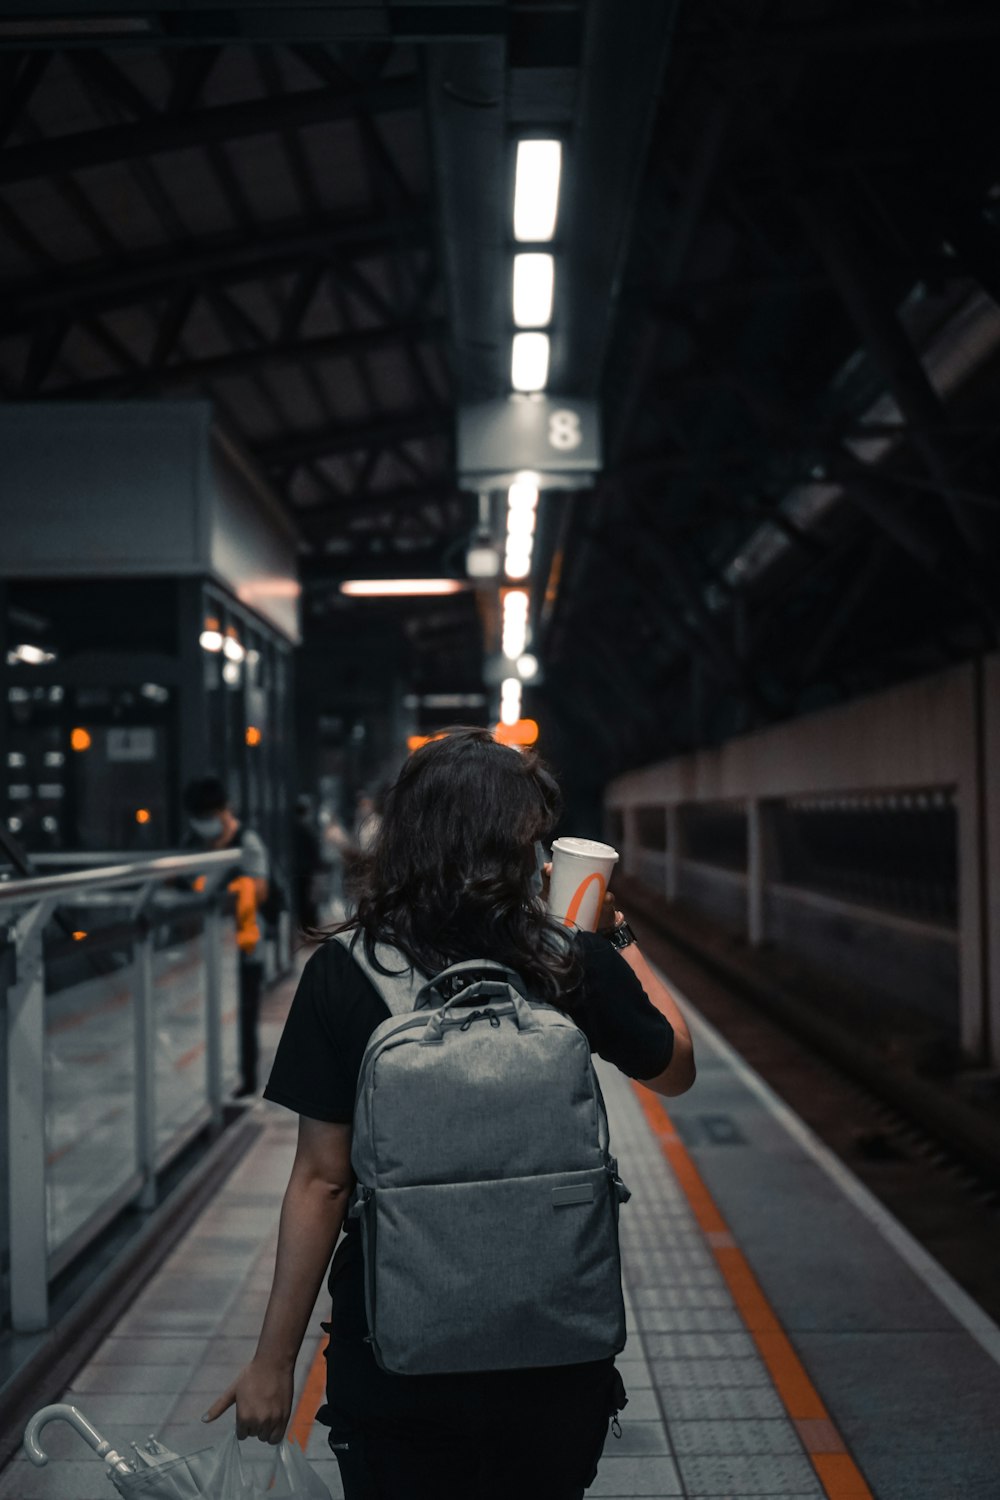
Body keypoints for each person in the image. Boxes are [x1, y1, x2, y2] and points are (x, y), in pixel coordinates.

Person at [203, 728, 695, 1498]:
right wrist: (616, 937)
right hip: (554, 1356)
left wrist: (273, 1363)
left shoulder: (343, 971)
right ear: (517, 845)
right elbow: (677, 1068)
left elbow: (322, 1184)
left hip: (395, 1358)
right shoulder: (570, 959)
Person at [182, 776, 269, 1097]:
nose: (202, 824)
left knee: (245, 1013)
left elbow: (259, 890)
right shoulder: (191, 844)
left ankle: (245, 1080)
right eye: (197, 818)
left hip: (243, 946)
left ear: (223, 811)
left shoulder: (247, 843)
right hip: (200, 949)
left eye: (207, 816)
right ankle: (205, 1082)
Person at [292, 794, 324, 932]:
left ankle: (306, 928)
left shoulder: (296, 828)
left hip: (299, 870)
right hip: (307, 871)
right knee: (309, 900)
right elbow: (315, 851)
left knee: (303, 901)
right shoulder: (308, 828)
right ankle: (310, 928)